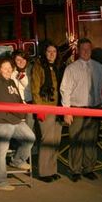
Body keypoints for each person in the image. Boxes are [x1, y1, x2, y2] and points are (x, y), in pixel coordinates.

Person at [0, 58, 36, 191]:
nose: (8, 70)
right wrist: (21, 114)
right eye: (5, 68)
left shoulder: (12, 82)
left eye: (10, 68)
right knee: (1, 151)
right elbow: (5, 101)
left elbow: (19, 100)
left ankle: (17, 160)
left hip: (14, 119)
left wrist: (22, 114)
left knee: (30, 137)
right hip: (0, 120)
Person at [60, 38, 102, 182]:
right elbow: (65, 90)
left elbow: (101, 89)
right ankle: (75, 170)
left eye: (88, 49)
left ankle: (89, 168)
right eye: (83, 49)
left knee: (91, 141)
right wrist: (67, 111)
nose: (86, 51)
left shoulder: (99, 68)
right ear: (78, 50)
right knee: (76, 140)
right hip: (77, 109)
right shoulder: (71, 68)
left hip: (94, 109)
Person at [31, 40, 65, 182]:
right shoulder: (38, 66)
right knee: (46, 140)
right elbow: (35, 89)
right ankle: (44, 172)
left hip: (58, 107)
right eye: (49, 51)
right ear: (44, 53)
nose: (51, 54)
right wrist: (39, 109)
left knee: (56, 140)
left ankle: (52, 169)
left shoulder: (58, 67)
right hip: (45, 107)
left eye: (54, 52)